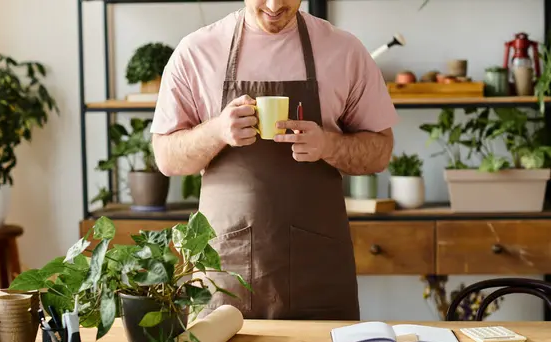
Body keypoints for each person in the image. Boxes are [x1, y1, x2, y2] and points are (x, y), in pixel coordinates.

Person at [150, 0, 398, 321]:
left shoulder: (344, 51)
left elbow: (380, 152)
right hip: (226, 271)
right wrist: (217, 131)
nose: (273, 5)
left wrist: (327, 144)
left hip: (318, 268)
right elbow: (167, 158)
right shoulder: (197, 52)